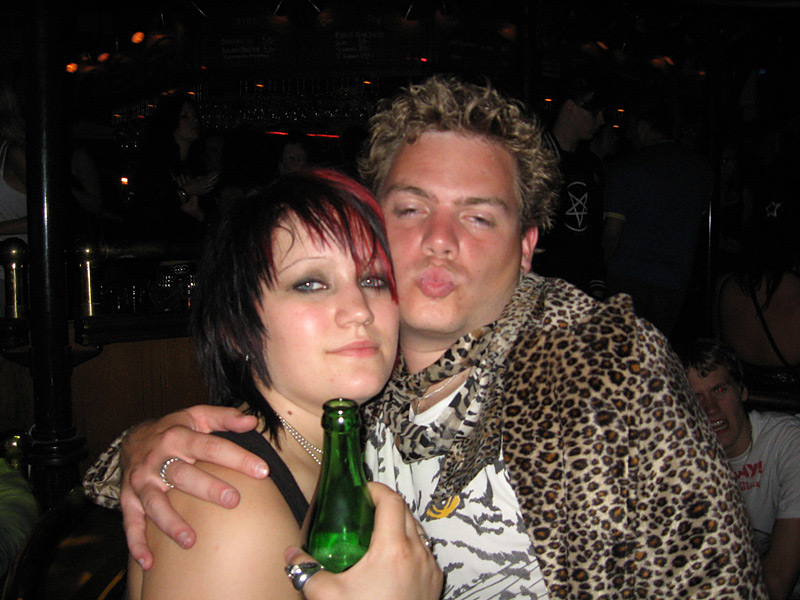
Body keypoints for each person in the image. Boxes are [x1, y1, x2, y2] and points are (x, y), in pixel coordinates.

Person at [84, 76, 767, 599]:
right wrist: (145, 448)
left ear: (526, 246)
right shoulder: (359, 378)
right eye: (412, 209)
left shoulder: (601, 369)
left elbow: (714, 580)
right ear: (372, 224)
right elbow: (252, 443)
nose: (439, 241)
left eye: (478, 217)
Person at [125, 168, 441, 599]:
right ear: (238, 327)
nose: (360, 310)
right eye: (310, 283)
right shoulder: (230, 507)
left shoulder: (353, 444)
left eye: (372, 280)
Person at [683, 339, 800, 600]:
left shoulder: (789, 442)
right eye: (695, 397)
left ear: (742, 391)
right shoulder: (682, 465)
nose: (710, 408)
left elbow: (777, 581)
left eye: (719, 390)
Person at [602, 92, 713, 338]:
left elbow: (612, 233)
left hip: (627, 279)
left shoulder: (627, 167)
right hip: (674, 283)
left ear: (642, 127)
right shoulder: (700, 170)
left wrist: (606, 268)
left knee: (621, 352)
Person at [714, 192, 800, 396]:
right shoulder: (795, 289)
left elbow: (719, 355)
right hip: (791, 406)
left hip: (745, 402)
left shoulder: (724, 285)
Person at [535, 75, 607, 299]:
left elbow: (593, 232)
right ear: (570, 107)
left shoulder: (592, 166)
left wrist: (597, 282)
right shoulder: (535, 158)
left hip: (578, 287)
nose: (601, 120)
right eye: (594, 111)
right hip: (538, 284)